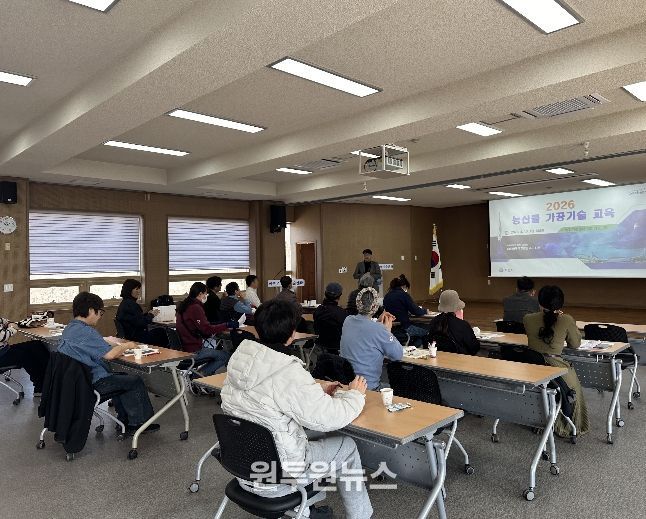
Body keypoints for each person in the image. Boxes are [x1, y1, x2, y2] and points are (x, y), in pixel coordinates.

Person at [221, 300, 372, 519]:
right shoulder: (287, 371)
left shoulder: (241, 361)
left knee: (310, 435)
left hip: (244, 468)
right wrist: (355, 395)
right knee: (346, 446)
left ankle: (307, 510)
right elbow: (329, 418)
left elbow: (271, 397)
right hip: (279, 478)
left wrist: (314, 390)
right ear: (292, 333)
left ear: (258, 329)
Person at [58, 292, 159, 434]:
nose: (100, 316)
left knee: (121, 377)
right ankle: (139, 424)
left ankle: (124, 420)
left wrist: (110, 344)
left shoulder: (70, 329)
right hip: (93, 382)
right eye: (100, 312)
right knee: (134, 381)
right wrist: (127, 345)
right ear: (91, 310)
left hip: (76, 381)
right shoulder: (87, 331)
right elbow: (110, 355)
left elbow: (91, 346)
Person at [523, 285, 590, 438]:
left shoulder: (527, 319)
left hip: (534, 367)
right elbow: (575, 344)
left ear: (540, 302)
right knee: (574, 387)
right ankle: (569, 426)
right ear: (560, 303)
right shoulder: (566, 319)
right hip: (556, 368)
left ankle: (543, 422)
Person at [340, 287, 402, 391]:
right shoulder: (379, 330)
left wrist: (378, 323)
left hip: (347, 383)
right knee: (399, 390)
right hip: (368, 387)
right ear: (375, 306)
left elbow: (365, 331)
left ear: (358, 303)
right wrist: (388, 331)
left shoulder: (348, 321)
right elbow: (397, 355)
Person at [175, 282, 232, 376]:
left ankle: (198, 375)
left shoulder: (184, 305)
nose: (206, 296)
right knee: (225, 356)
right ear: (200, 294)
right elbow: (207, 329)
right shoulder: (195, 307)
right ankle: (197, 377)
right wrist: (226, 325)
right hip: (193, 350)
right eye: (206, 294)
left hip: (182, 349)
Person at [0, 318, 49, 397]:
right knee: (27, 356)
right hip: (1, 355)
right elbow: (3, 336)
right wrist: (12, 327)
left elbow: (5, 321)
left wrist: (9, 324)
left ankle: (49, 380)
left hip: (5, 350)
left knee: (36, 345)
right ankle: (40, 387)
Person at [115, 279, 168, 347]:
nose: (138, 291)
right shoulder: (132, 305)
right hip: (136, 337)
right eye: (136, 289)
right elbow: (141, 323)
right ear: (129, 290)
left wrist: (147, 314)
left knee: (158, 331)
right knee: (162, 331)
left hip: (129, 335)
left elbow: (135, 318)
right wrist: (151, 315)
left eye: (139, 289)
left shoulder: (124, 303)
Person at [383, 274, 430, 347]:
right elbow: (416, 311)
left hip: (391, 328)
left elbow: (395, 309)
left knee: (417, 337)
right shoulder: (403, 295)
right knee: (427, 332)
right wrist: (425, 311)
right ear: (404, 286)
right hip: (404, 328)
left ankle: (414, 345)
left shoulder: (387, 296)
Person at [428, 289, 480, 355]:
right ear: (457, 307)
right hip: (460, 359)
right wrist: (461, 321)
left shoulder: (434, 321)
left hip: (439, 357)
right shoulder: (463, 325)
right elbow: (474, 348)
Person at [313, 282, 347, 354]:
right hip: (337, 347)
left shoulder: (318, 310)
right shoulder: (342, 313)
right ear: (339, 296)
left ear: (325, 293)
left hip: (320, 345)